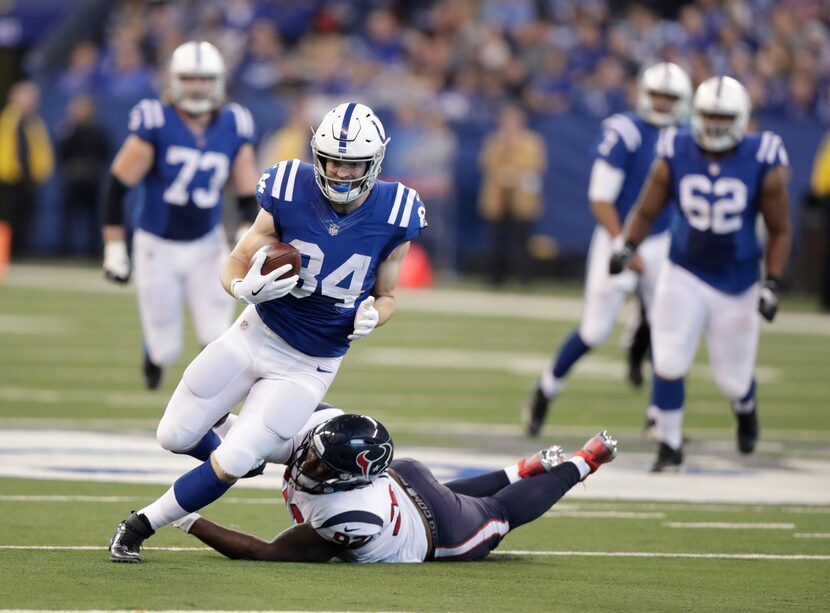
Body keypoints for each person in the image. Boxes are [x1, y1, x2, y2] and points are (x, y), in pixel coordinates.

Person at [108, 100, 428, 562]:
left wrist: (377, 314)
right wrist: (242, 285)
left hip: (307, 365)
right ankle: (253, 447)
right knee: (174, 436)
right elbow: (235, 261)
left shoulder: (397, 211)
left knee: (233, 460)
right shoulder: (288, 186)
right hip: (254, 332)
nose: (339, 172)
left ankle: (141, 524)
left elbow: (389, 294)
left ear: (373, 163)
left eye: (351, 163)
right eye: (332, 161)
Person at [115, 404, 617, 563]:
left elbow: (270, 553)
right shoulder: (328, 434)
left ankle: (581, 462)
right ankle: (521, 468)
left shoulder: (350, 517)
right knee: (461, 495)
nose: (305, 463)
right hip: (409, 482)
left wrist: (189, 520)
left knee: (499, 516)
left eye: (319, 466)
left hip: (442, 535)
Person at [609, 76, 791, 472]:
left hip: (738, 279)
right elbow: (647, 209)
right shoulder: (676, 147)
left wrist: (772, 283)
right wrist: (627, 244)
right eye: (708, 114)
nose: (714, 123)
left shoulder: (764, 157)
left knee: (732, 379)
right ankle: (669, 444)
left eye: (723, 116)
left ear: (741, 118)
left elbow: (779, 230)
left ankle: (745, 406)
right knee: (669, 358)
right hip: (685, 269)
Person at [524, 63, 692, 436]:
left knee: (669, 329)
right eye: (659, 96)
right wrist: (624, 245)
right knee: (595, 330)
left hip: (661, 239)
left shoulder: (686, 137)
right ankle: (545, 390)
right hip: (617, 236)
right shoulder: (626, 131)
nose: (664, 105)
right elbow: (601, 199)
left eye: (671, 98)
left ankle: (659, 417)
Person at [101, 41, 260, 389]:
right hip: (157, 243)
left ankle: (208, 399)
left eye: (204, 78)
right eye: (189, 78)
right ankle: (153, 353)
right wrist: (114, 249)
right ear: (174, 80)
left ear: (218, 81)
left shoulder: (234, 121)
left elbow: (248, 193)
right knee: (166, 349)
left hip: (207, 242)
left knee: (217, 334)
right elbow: (117, 187)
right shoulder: (155, 120)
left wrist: (246, 235)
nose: (197, 86)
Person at [478, 104, 547, 286]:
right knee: (497, 238)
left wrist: (513, 172)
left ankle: (524, 278)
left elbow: (534, 164)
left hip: (521, 196)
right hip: (498, 196)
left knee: (522, 238)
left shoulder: (531, 141)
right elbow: (486, 162)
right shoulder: (494, 140)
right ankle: (496, 277)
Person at [0, 81, 54, 262]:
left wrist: (40, 172)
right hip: (9, 178)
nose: (31, 101)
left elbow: (40, 149)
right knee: (7, 216)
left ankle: (21, 251)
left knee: (26, 216)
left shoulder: (34, 122)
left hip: (29, 179)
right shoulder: (8, 119)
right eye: (27, 96)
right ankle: (5, 253)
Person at [57, 94, 111, 256]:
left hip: (92, 179)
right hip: (73, 179)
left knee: (94, 218)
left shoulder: (99, 131)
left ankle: (93, 251)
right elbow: (61, 153)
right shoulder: (68, 130)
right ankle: (63, 250)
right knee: (68, 217)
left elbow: (105, 152)